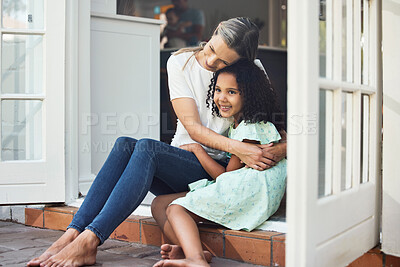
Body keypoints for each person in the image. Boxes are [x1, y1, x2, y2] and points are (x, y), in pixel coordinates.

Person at [27, 17, 286, 267]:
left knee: (146, 149)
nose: (211, 60)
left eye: (222, 62)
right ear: (214, 32)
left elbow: (276, 129)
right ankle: (74, 232)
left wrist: (275, 150)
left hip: (217, 170)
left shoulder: (252, 73)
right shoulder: (181, 62)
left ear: (241, 65)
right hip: (186, 161)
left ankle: (91, 239)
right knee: (125, 144)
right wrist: (240, 148)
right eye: (211, 49)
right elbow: (193, 128)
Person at [151, 59, 287, 267]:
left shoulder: (250, 130)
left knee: (176, 209)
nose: (221, 98)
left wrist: (197, 149)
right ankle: (193, 252)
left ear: (248, 96)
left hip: (248, 197)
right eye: (218, 90)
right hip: (242, 191)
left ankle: (196, 260)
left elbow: (225, 176)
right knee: (159, 204)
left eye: (231, 92)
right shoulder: (247, 125)